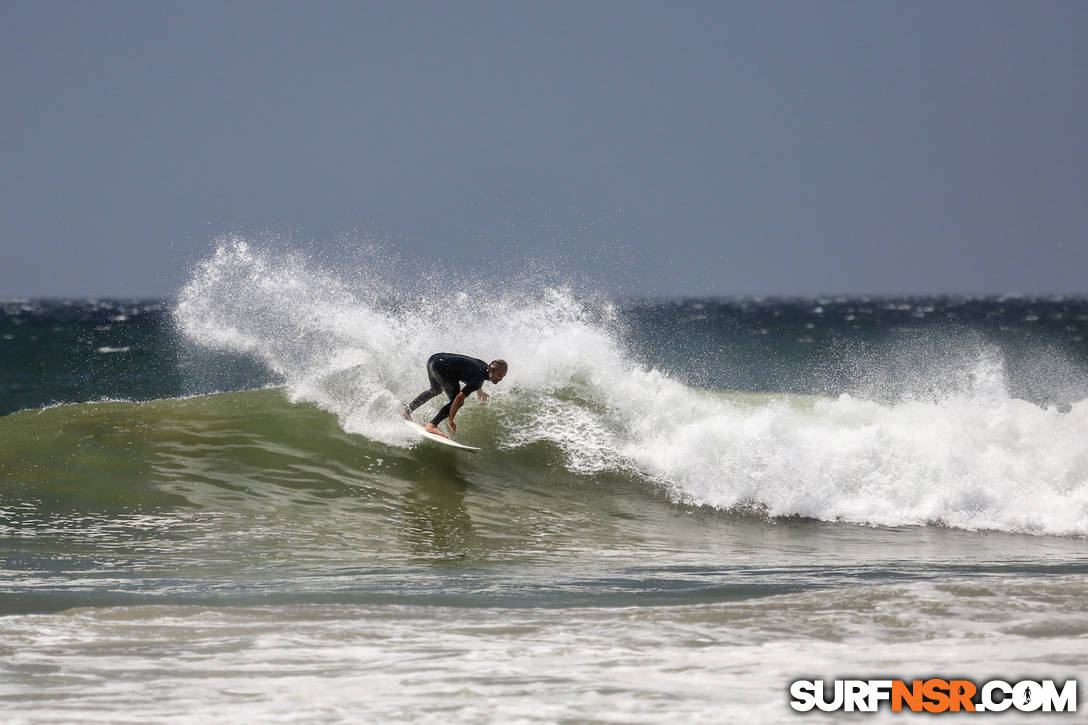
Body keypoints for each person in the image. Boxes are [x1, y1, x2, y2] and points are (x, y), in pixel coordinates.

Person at [402, 353, 507, 438]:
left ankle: (407, 411)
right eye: (499, 376)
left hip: (434, 360)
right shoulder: (478, 380)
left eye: (502, 376)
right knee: (456, 401)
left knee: (435, 390)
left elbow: (476, 375)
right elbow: (459, 398)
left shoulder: (484, 366)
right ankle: (432, 425)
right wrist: (451, 420)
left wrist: (480, 391)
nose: (500, 379)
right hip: (443, 368)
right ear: (492, 372)